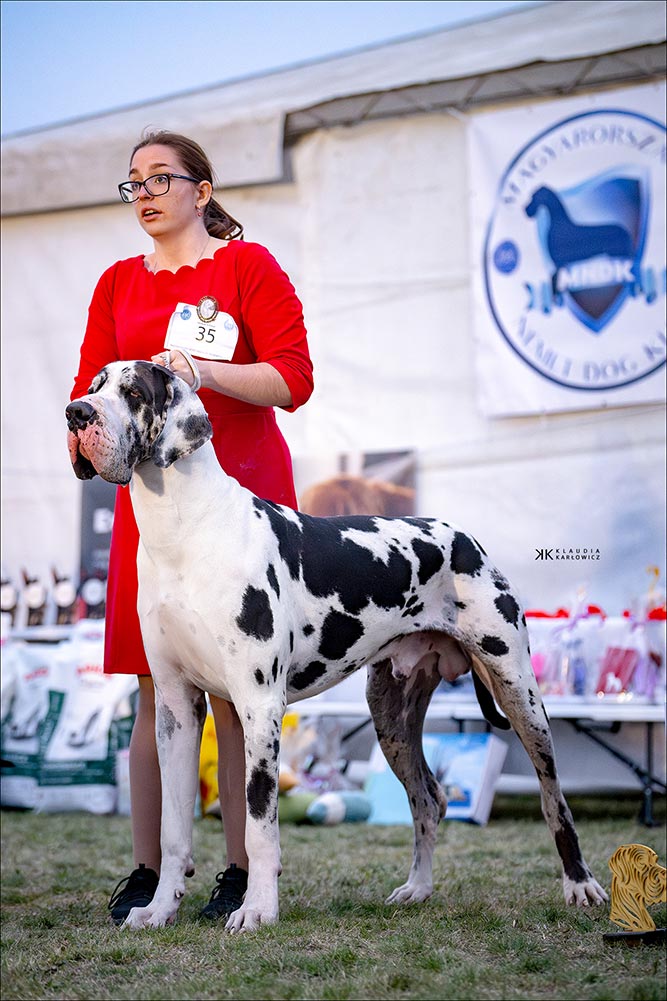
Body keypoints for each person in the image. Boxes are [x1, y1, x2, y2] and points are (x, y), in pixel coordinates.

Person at [70, 130, 314, 924]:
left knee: (243, 692)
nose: (142, 193)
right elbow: (87, 391)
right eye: (132, 182)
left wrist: (200, 371)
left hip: (245, 500)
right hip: (154, 516)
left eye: (159, 178)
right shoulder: (115, 283)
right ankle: (151, 869)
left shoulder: (248, 267)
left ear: (201, 191)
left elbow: (293, 378)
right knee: (156, 688)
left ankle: (241, 870)